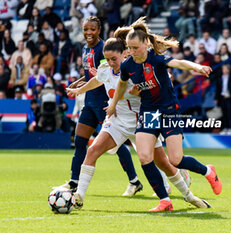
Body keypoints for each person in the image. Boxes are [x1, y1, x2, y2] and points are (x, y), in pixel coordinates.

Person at [68, 37, 209, 211]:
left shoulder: (136, 69)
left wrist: (138, 94)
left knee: (164, 163)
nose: (111, 63)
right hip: (117, 121)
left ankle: (189, 196)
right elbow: (97, 80)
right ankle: (79, 197)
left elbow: (156, 90)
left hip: (141, 121)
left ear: (124, 54)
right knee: (92, 151)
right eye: (108, 59)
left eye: (114, 59)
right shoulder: (105, 68)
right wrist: (78, 90)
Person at [110, 17, 222, 211]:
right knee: (145, 157)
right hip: (149, 112)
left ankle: (208, 171)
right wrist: (113, 105)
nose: (132, 52)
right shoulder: (128, 65)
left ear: (145, 44)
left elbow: (179, 63)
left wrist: (197, 67)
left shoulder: (157, 59)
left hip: (168, 111)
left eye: (135, 48)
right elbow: (121, 84)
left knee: (175, 160)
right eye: (129, 47)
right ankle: (164, 200)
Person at [53, 16, 142, 197]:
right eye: (86, 29)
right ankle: (74, 181)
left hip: (104, 103)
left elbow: (105, 78)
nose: (88, 33)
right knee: (79, 141)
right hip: (90, 102)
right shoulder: (86, 49)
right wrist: (78, 85)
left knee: (114, 144)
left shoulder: (104, 49)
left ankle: (134, 181)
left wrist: (111, 101)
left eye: (92, 29)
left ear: (98, 30)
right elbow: (92, 75)